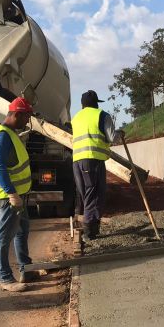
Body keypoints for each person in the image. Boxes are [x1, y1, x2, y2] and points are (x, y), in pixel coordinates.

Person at [0, 97, 34, 292]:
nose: (28, 121)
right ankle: (4, 278)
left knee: (22, 231)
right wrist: (11, 193)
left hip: (17, 195)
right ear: (16, 114)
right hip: (8, 197)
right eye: (26, 117)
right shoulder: (2, 136)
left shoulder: (10, 133)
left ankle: (26, 268)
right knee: (4, 236)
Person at [71, 90, 120, 242]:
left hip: (77, 161)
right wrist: (121, 133)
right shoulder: (101, 115)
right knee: (94, 193)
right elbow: (112, 137)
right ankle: (88, 232)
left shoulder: (76, 117)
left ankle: (93, 227)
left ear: (82, 104)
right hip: (93, 159)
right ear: (96, 103)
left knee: (86, 194)